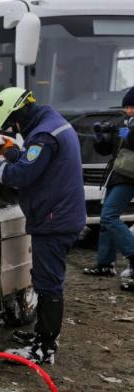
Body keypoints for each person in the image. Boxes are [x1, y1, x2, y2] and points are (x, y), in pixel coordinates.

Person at [0, 87, 86, 365]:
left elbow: (21, 176)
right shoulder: (51, 123)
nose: (15, 129)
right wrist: (14, 153)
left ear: (19, 115)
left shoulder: (43, 136)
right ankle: (42, 335)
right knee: (45, 278)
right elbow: (39, 165)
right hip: (59, 215)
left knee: (48, 283)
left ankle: (44, 348)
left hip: (54, 220)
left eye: (13, 124)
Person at [83, 88, 134, 291]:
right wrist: (100, 138)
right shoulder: (125, 124)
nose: (128, 110)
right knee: (107, 218)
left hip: (129, 177)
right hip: (117, 174)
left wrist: (121, 131)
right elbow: (108, 150)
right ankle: (105, 264)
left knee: (109, 217)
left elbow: (132, 140)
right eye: (127, 107)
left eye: (132, 107)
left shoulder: (127, 127)